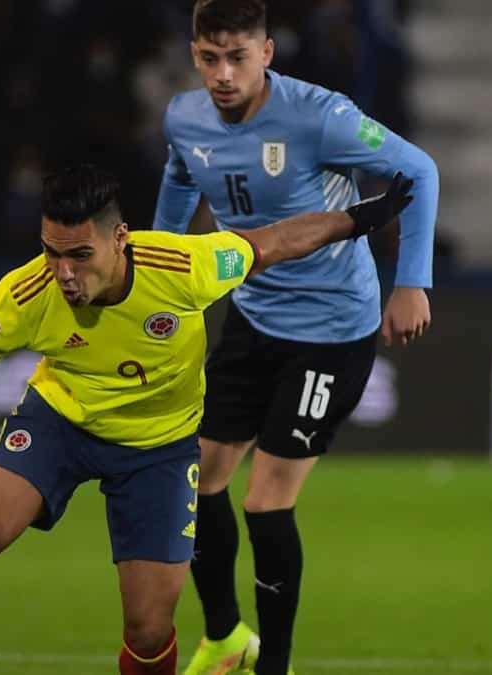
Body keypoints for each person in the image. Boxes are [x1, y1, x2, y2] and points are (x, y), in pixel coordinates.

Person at [0, 164, 415, 675]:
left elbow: (275, 242)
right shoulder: (25, 295)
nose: (64, 273)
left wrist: (361, 218)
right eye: (51, 253)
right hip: (60, 424)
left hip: (160, 450)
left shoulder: (184, 268)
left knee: (149, 630)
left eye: (79, 255)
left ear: (119, 239)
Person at [153, 2, 439, 673]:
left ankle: (274, 665)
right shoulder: (184, 118)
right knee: (195, 482)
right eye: (210, 58)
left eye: (238, 57)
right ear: (195, 55)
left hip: (332, 331)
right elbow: (179, 178)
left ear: (267, 53)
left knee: (265, 502)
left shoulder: (320, 116)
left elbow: (418, 170)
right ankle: (225, 637)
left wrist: (410, 282)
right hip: (253, 318)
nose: (224, 74)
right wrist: (158, 268)